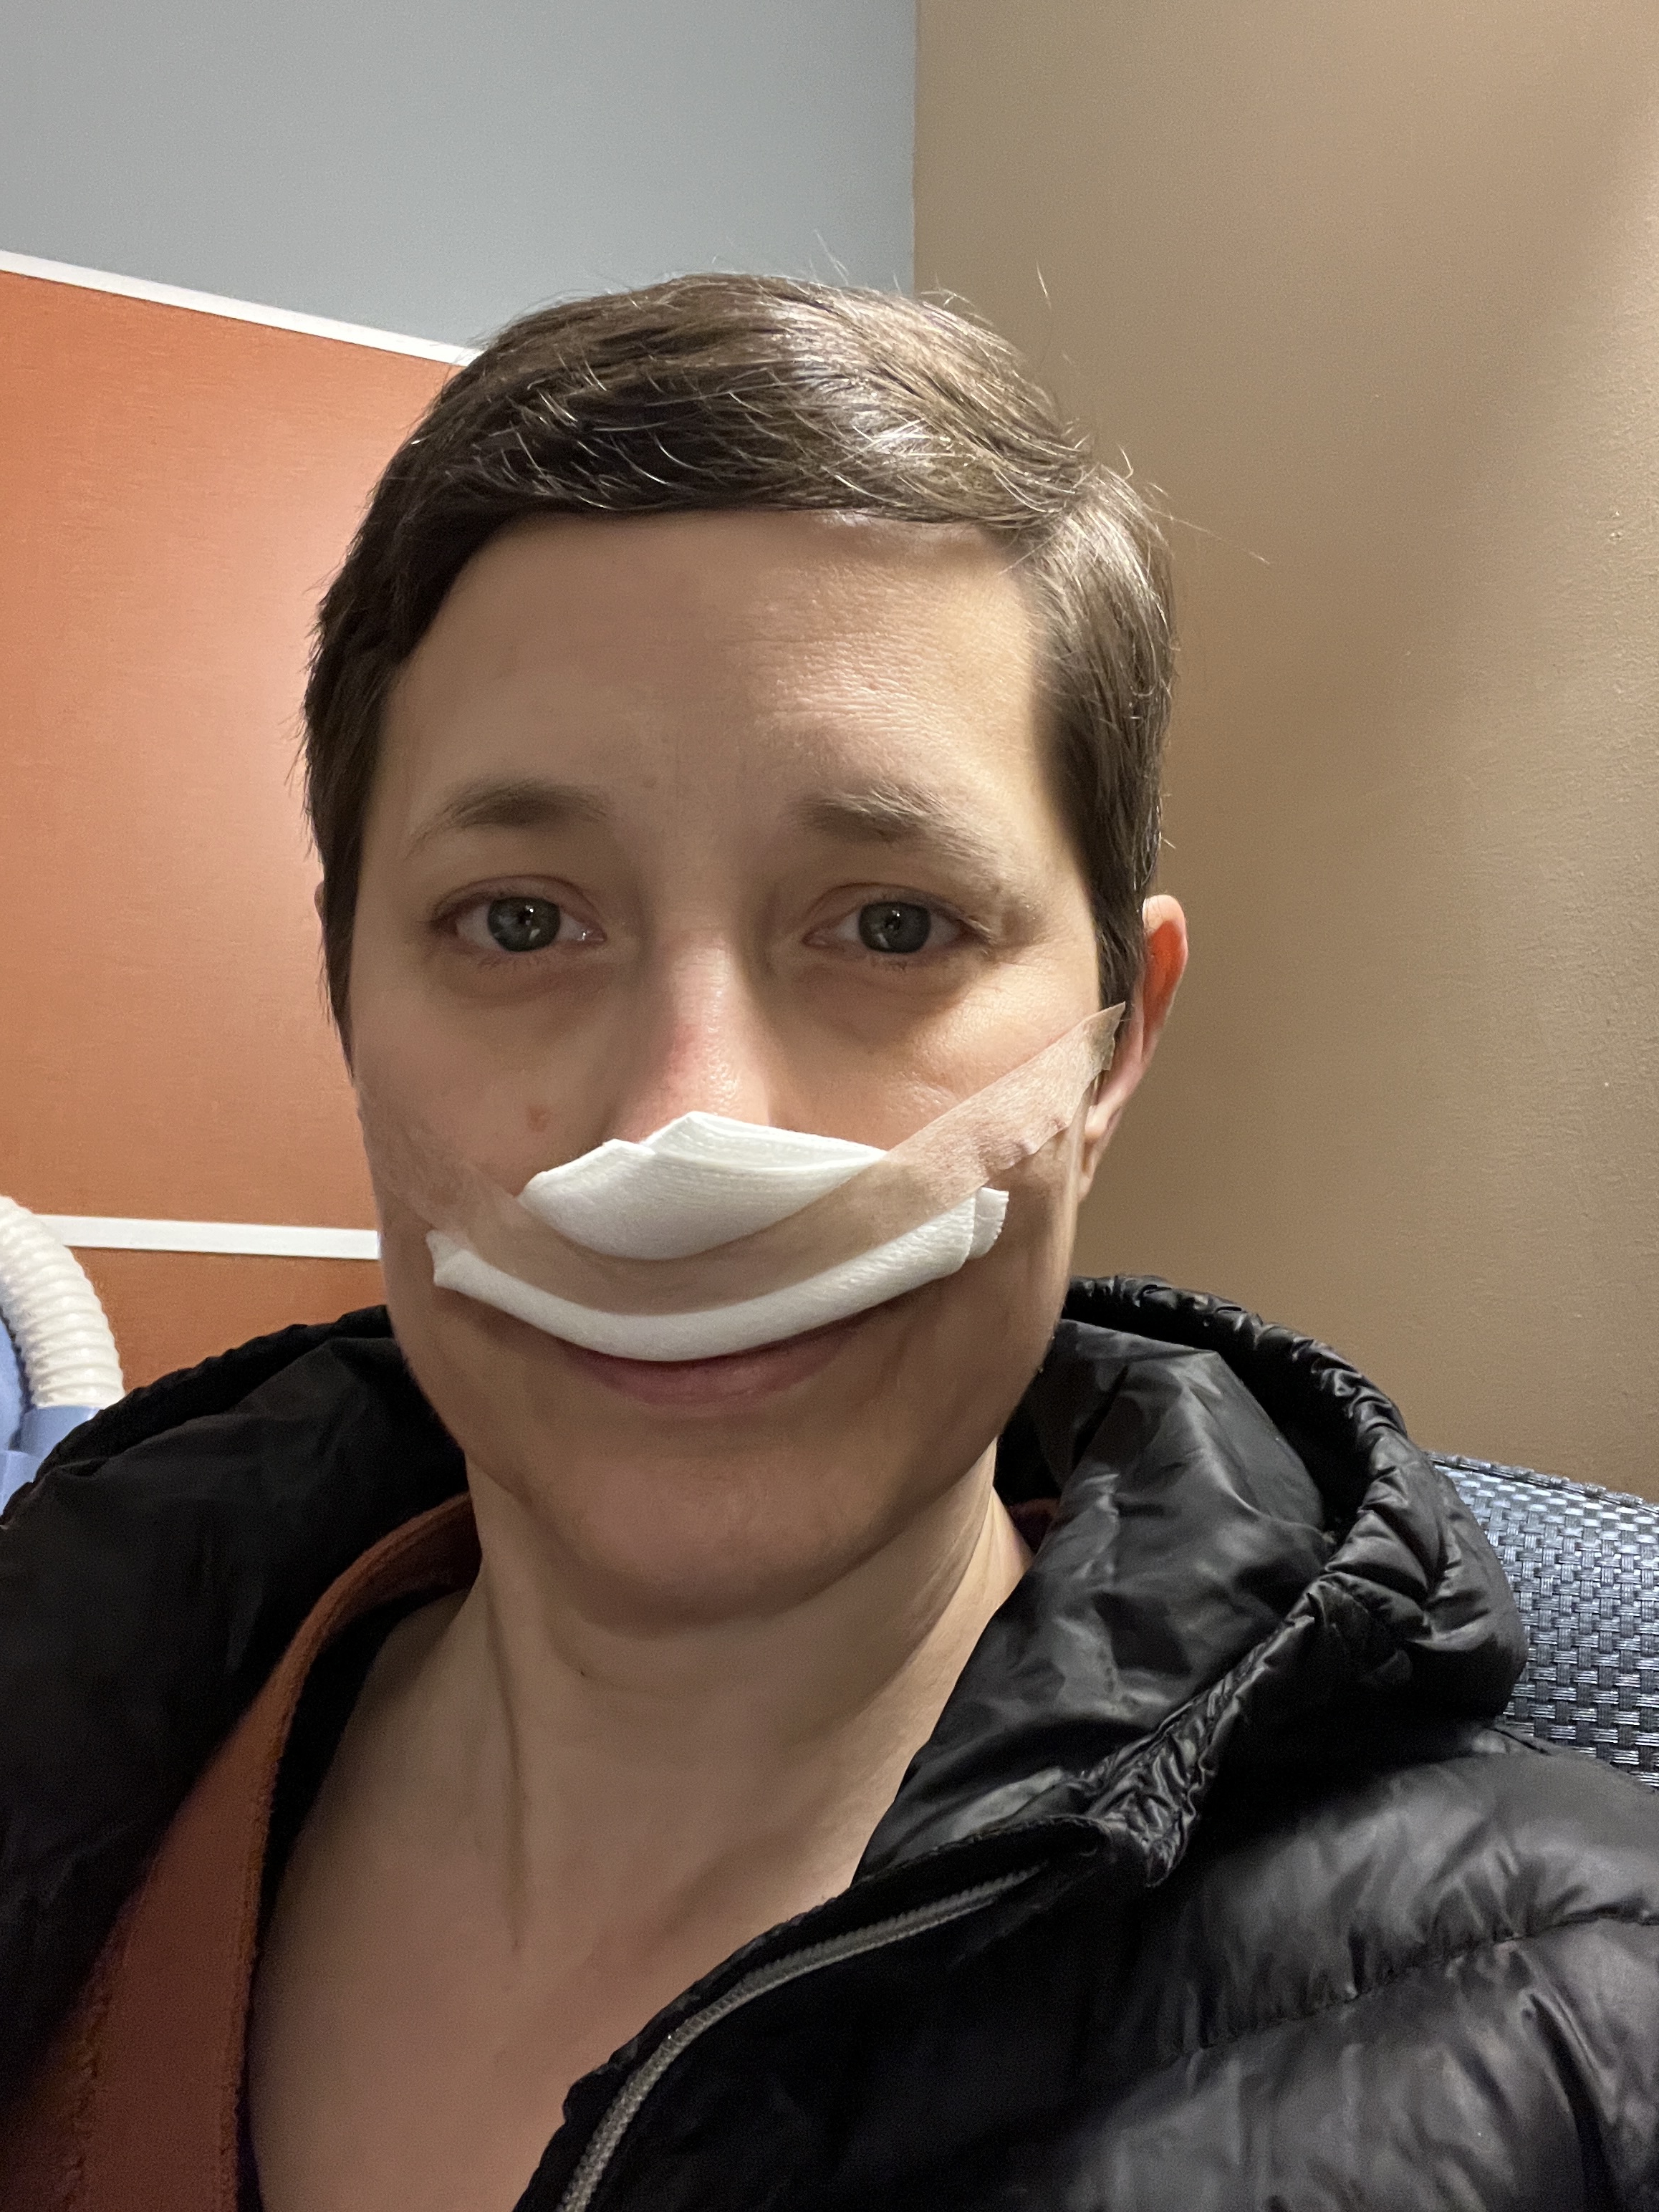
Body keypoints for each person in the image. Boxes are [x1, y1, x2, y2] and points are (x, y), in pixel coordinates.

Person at [0, 275, 1654, 2212]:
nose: (682, 1136)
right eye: (521, 922)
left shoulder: (1578, 2049)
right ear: (349, 998)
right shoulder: (71, 1748)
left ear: (1114, 1040)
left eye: (888, 927)